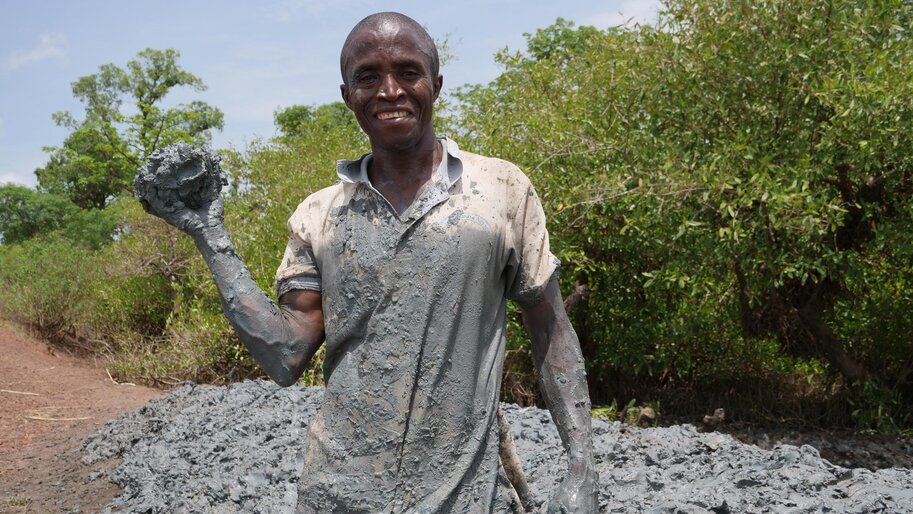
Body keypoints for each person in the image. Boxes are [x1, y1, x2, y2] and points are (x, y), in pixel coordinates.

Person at [137, 11, 597, 513]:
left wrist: (581, 468)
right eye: (368, 77)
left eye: (408, 72)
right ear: (347, 95)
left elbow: (550, 329)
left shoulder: (499, 190)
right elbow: (285, 356)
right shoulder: (319, 215)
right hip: (339, 494)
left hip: (466, 497)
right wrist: (210, 235)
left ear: (436, 84)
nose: (390, 91)